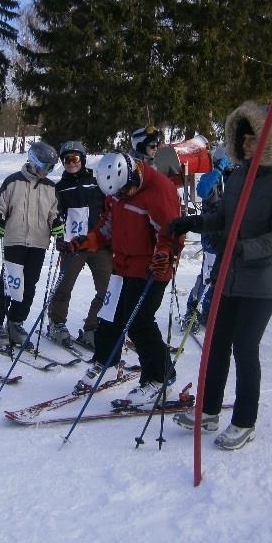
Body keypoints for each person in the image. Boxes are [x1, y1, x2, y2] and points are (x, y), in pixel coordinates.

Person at [169, 101, 272, 450]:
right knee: (215, 345)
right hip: (229, 277)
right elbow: (224, 220)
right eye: (242, 138)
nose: (246, 145)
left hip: (261, 282)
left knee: (245, 347)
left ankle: (244, 421)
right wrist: (194, 222)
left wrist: (242, 248)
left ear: (271, 140)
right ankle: (209, 411)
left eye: (254, 138)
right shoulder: (238, 176)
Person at [69, 150, 182, 405]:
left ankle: (160, 377)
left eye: (123, 192)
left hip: (152, 268)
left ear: (134, 175)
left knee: (139, 322)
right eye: (115, 194)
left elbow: (173, 232)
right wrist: (90, 240)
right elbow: (108, 224)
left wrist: (165, 253)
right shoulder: (118, 190)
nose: (119, 197)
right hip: (122, 263)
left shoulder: (159, 191)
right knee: (109, 315)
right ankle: (106, 362)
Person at [0, 141, 63, 349]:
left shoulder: (50, 188)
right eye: (46, 167)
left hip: (38, 243)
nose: (48, 172)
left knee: (29, 286)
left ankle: (16, 323)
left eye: (51, 168)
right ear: (34, 161)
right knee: (10, 284)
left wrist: (56, 225)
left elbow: (54, 213)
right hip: (15, 240)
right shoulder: (13, 181)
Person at [47, 141, 112, 348]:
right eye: (66, 160)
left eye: (75, 159)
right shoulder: (59, 188)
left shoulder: (96, 183)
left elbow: (109, 209)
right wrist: (59, 239)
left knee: (107, 288)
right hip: (72, 245)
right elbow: (54, 216)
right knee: (64, 287)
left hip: (97, 244)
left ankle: (93, 326)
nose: (71, 163)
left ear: (83, 160)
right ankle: (56, 323)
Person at [183, 145, 233, 334]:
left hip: (229, 239)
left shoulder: (236, 181)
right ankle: (193, 311)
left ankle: (214, 312)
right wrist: (218, 170)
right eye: (228, 163)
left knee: (225, 278)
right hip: (212, 239)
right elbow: (203, 190)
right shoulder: (212, 178)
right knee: (207, 277)